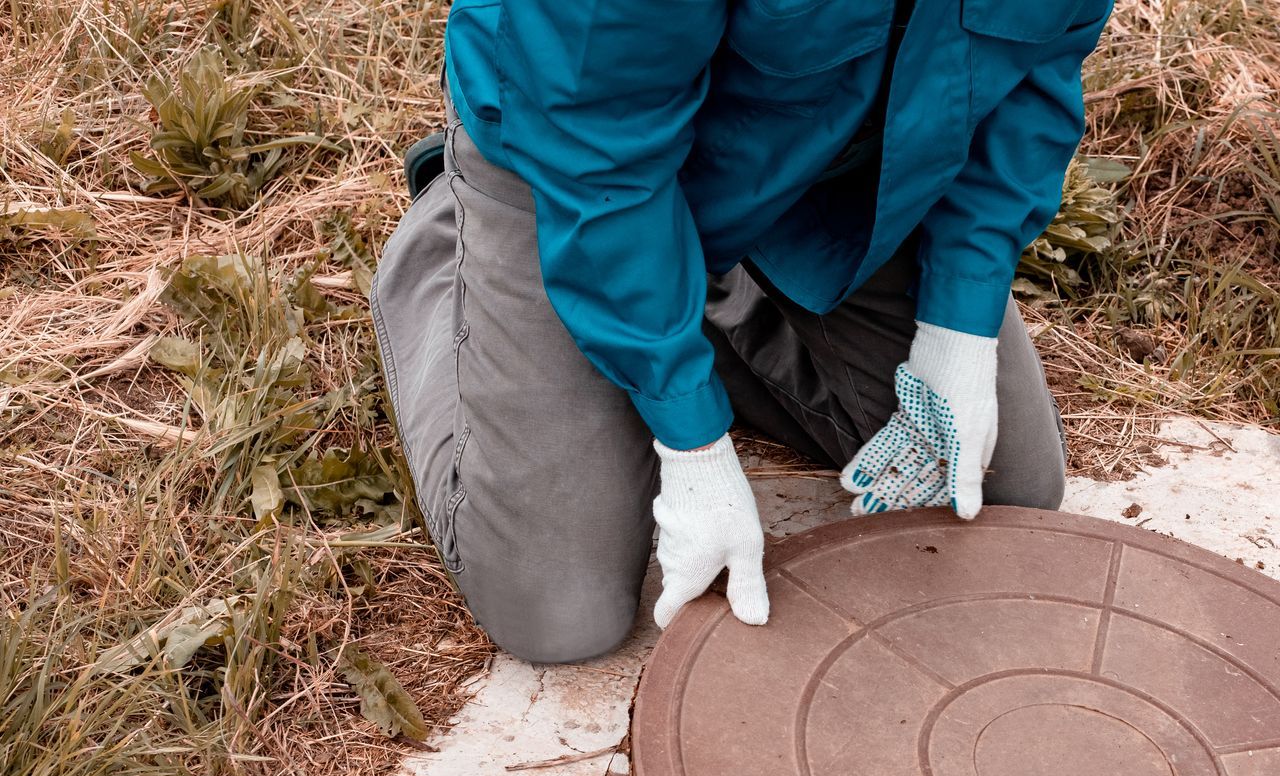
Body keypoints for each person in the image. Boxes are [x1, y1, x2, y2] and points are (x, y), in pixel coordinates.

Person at [371, 0, 1114, 663]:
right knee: (562, 611)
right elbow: (593, 135)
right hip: (572, 160)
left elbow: (1036, 72)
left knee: (1007, 485)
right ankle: (452, 242)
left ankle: (695, 290)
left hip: (828, 171)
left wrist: (961, 322)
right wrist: (689, 435)